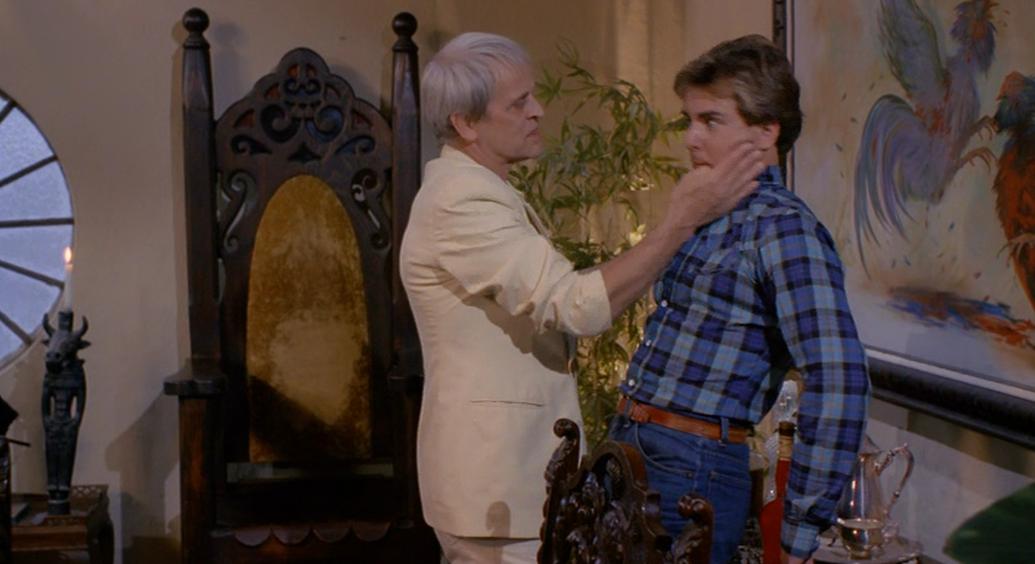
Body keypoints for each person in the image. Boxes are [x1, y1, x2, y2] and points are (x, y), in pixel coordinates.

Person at [400, 32, 765, 564]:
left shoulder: (483, 190)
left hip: (512, 481)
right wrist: (681, 220)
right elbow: (574, 306)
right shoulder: (461, 201)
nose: (538, 110)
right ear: (466, 123)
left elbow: (563, 292)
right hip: (497, 482)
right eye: (519, 103)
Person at [608, 34, 870, 564]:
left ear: (766, 130)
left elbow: (839, 377)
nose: (691, 139)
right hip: (634, 443)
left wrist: (800, 529)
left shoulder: (784, 228)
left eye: (711, 121)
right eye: (689, 121)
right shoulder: (709, 212)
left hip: (694, 463)